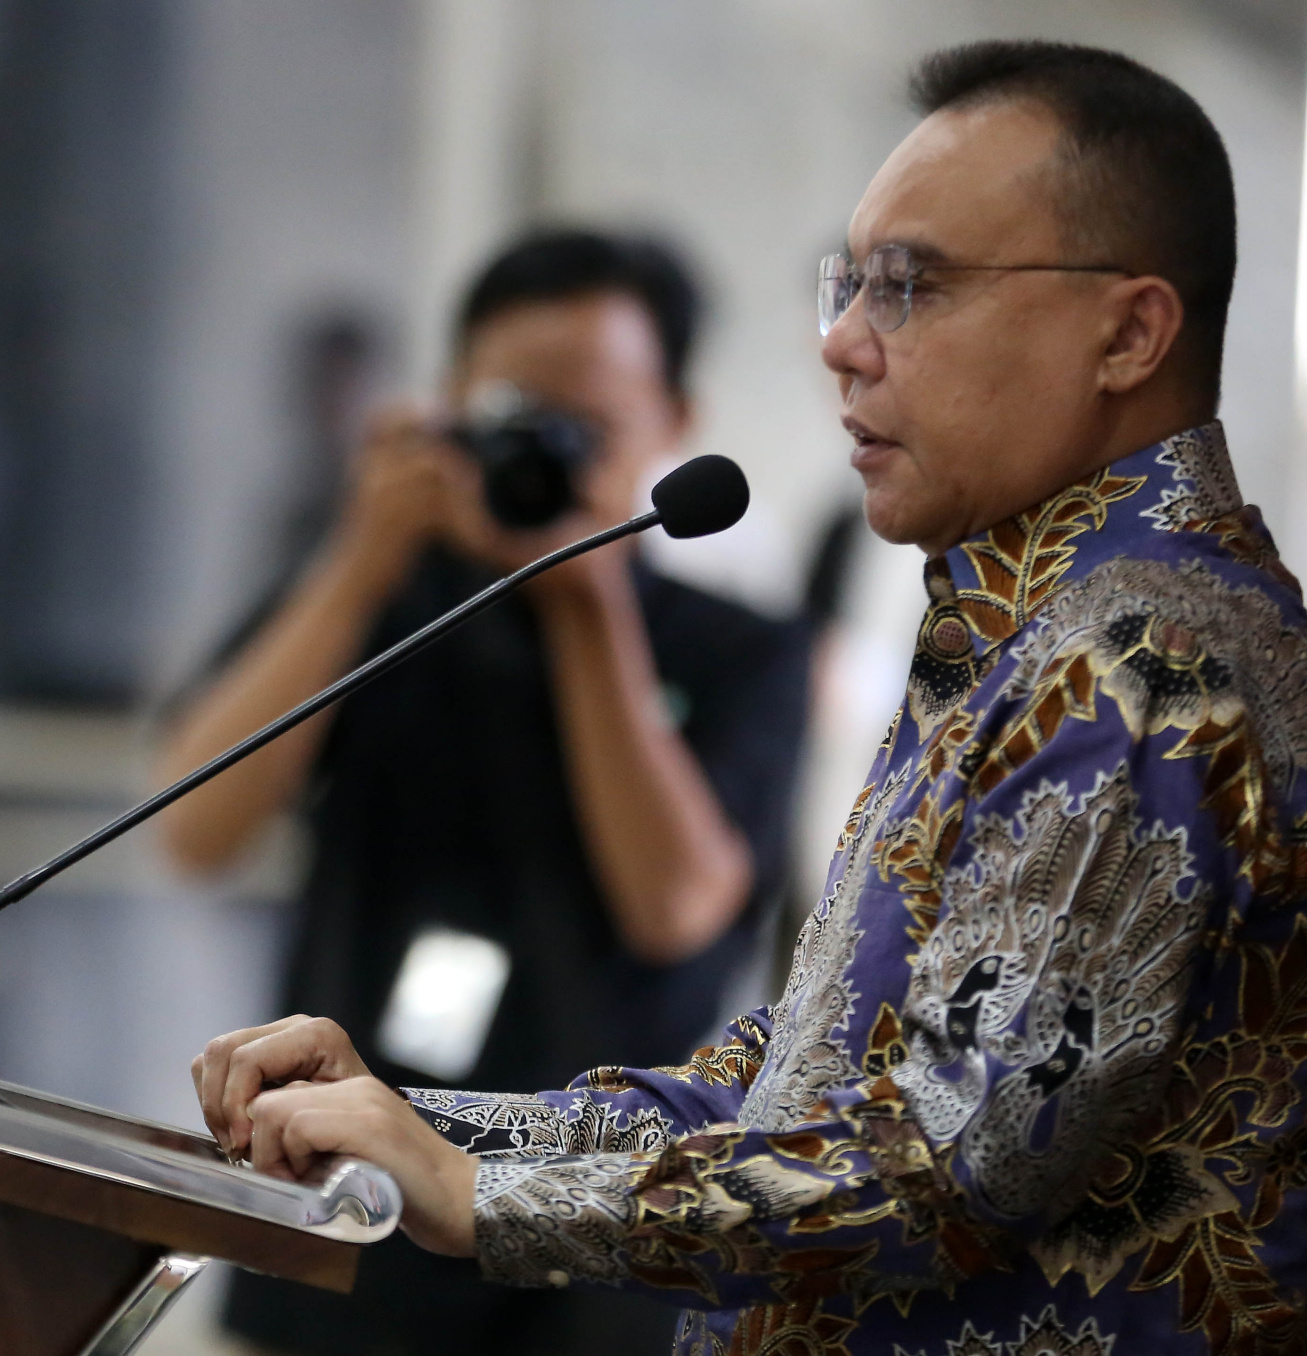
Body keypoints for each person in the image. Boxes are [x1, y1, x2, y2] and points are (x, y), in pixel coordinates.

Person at [190, 41, 1307, 1356]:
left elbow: (943, 1160)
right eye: (848, 285)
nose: (843, 343)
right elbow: (810, 1074)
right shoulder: (1037, 635)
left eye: (911, 286)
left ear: (1130, 332)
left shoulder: (1145, 659)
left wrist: (484, 1197)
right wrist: (423, 1126)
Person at [155, 231, 813, 1352]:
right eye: (516, 416)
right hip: (339, 1217)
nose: (546, 456)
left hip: (595, 1231)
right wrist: (360, 558)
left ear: (674, 422)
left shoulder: (736, 649)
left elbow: (677, 908)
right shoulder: (388, 600)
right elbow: (193, 830)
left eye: (586, 428)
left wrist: (589, 607)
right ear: (450, 402)